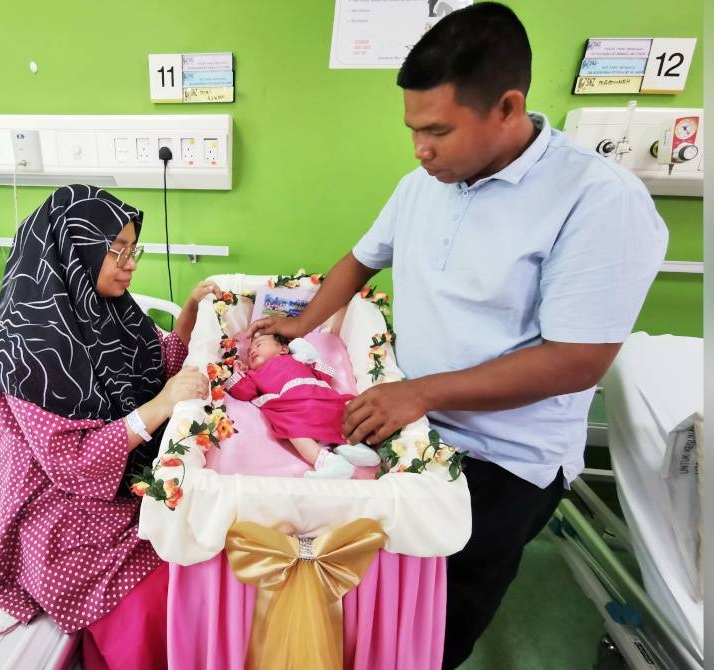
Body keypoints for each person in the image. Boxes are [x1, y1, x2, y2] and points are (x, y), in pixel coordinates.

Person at [248, 4, 668, 668]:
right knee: (374, 591)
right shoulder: (423, 186)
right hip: (417, 424)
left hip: (505, 457)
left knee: (438, 617)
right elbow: (362, 259)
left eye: (438, 130)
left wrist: (419, 393)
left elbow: (576, 361)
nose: (420, 149)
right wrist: (300, 325)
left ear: (507, 106)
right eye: (413, 130)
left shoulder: (597, 202)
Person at [0, 184, 215, 670]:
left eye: (133, 249)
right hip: (49, 499)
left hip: (103, 471)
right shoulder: (28, 348)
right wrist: (159, 407)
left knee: (191, 526)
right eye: (117, 250)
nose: (130, 263)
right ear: (78, 249)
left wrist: (190, 318)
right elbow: (71, 463)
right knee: (161, 571)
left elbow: (157, 364)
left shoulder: (107, 308)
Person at [225, 333, 380, 479]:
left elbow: (324, 374)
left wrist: (303, 349)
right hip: (290, 406)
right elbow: (244, 392)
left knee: (345, 409)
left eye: (258, 344)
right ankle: (328, 462)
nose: (252, 350)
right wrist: (238, 373)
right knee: (294, 431)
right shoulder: (254, 375)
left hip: (320, 396)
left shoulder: (298, 359)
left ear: (283, 349)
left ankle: (350, 443)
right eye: (249, 351)